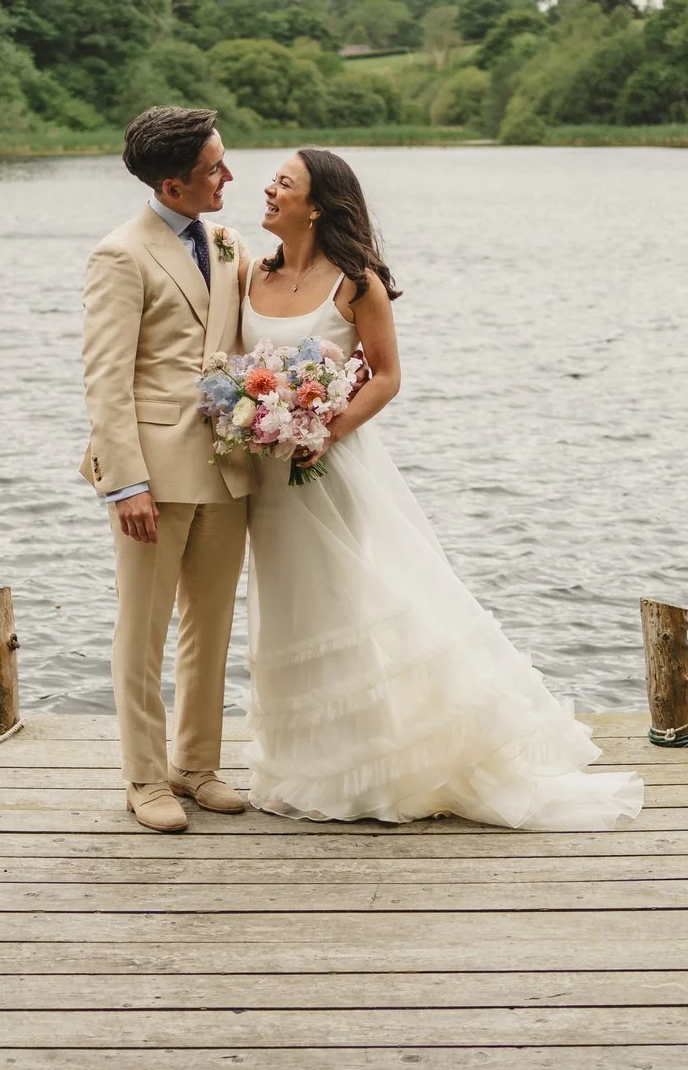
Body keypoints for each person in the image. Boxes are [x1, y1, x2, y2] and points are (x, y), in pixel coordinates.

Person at [236, 149, 642, 829]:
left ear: (317, 204)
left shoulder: (354, 281)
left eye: (284, 182)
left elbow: (388, 375)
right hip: (266, 473)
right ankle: (300, 766)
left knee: (344, 600)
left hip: (328, 466)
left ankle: (367, 766)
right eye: (272, 179)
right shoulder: (250, 272)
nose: (268, 188)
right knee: (283, 608)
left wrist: (324, 431)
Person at [79, 106, 253, 833]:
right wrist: (126, 483)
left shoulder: (229, 241)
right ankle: (145, 778)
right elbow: (105, 378)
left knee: (208, 627)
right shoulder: (120, 254)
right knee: (142, 631)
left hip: (228, 466)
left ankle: (196, 764)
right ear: (175, 183)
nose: (230, 176)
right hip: (151, 475)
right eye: (216, 167)